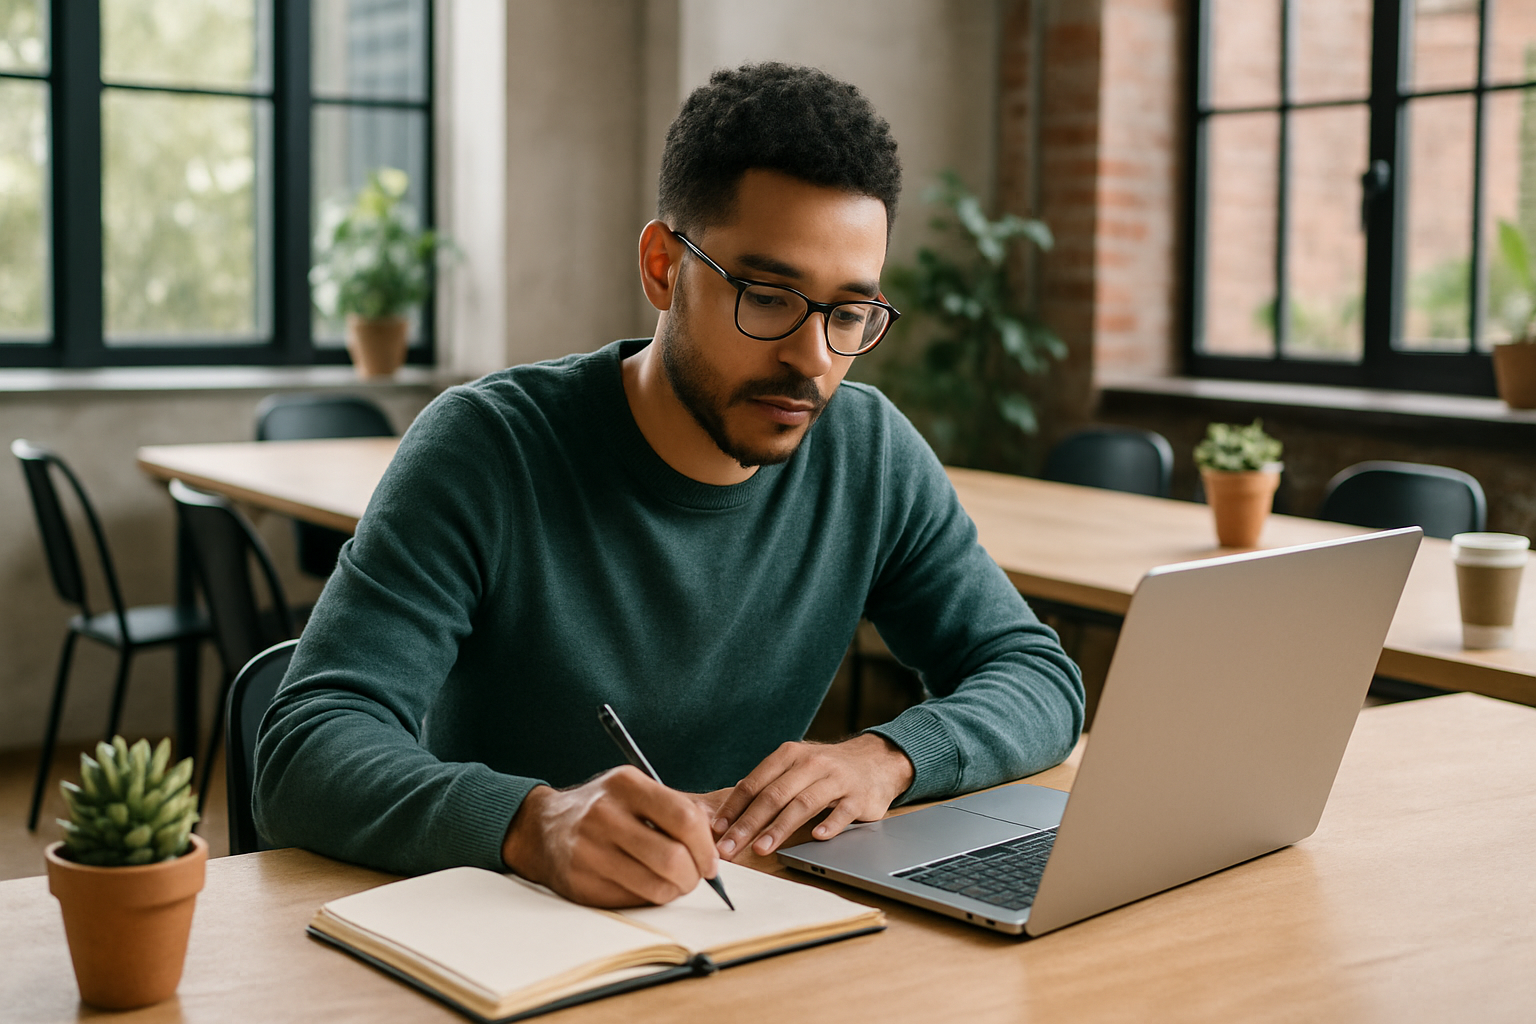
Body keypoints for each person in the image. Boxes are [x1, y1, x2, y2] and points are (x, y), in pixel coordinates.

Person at [255, 62, 1083, 909]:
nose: (813, 359)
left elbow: (1035, 674)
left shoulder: (868, 453)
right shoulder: (487, 449)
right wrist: (533, 823)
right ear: (662, 267)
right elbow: (306, 749)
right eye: (766, 297)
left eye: (848, 314)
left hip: (744, 921)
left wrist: (886, 758)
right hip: (511, 933)